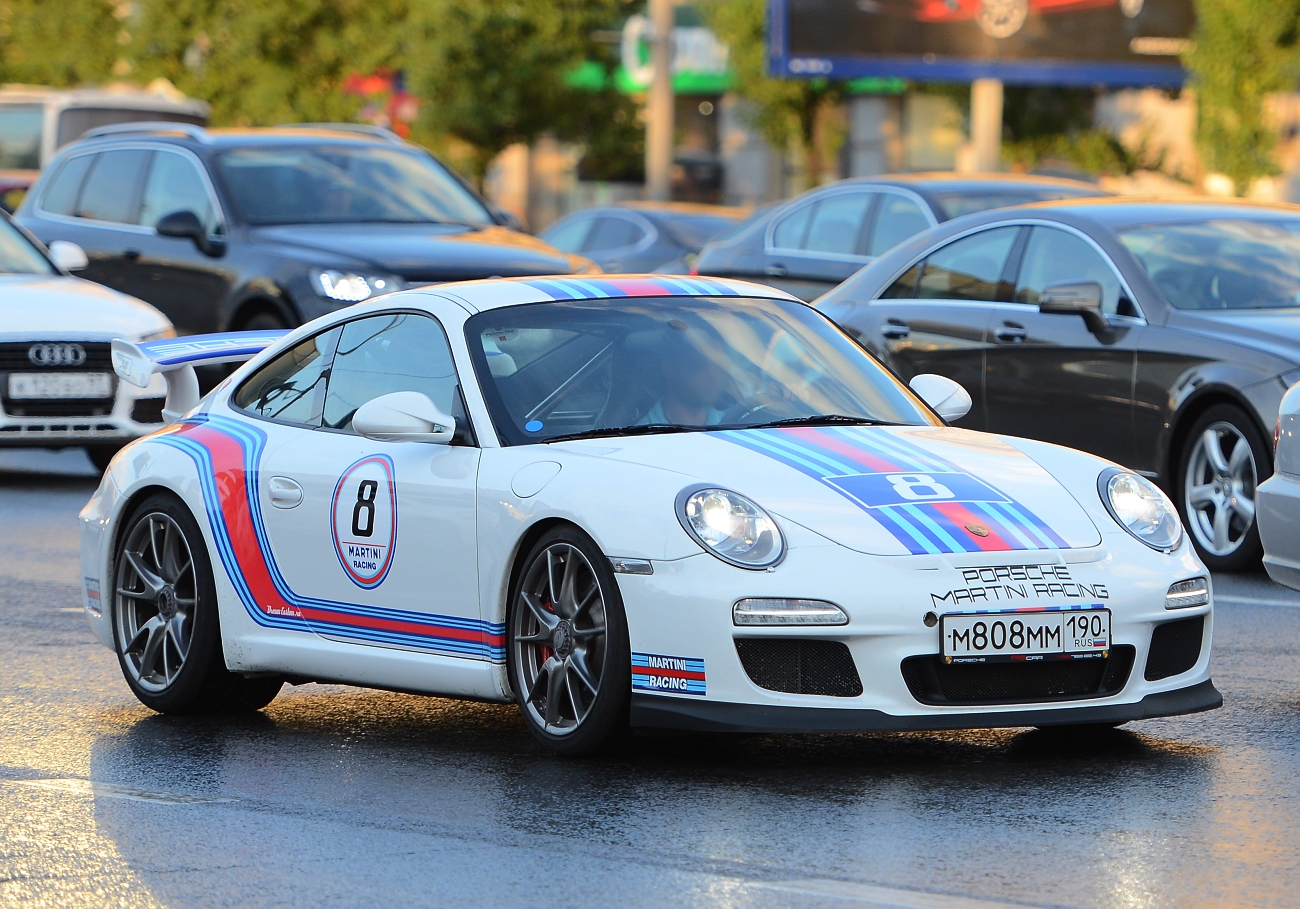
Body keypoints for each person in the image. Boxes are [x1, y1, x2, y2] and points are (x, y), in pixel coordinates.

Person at [638, 330, 728, 426]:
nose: (712, 376)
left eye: (719, 366)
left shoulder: (737, 426)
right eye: (698, 364)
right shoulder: (637, 437)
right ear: (668, 368)